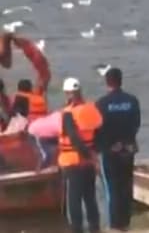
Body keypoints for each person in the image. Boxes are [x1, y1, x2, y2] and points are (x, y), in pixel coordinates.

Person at [94, 68, 140, 231]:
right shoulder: (132, 100)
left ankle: (115, 224)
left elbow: (97, 129)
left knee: (112, 188)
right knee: (126, 186)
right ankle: (126, 222)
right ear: (121, 80)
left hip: (110, 151)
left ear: (107, 82)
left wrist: (101, 147)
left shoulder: (101, 103)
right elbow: (136, 124)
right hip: (128, 149)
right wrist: (126, 141)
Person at [59, 77, 103, 233]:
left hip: (73, 161)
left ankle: (77, 230)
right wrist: (93, 156)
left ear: (68, 93)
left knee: (74, 200)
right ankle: (95, 228)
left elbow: (74, 138)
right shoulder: (90, 108)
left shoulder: (67, 113)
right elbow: (98, 134)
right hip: (89, 162)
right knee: (90, 197)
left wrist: (87, 155)